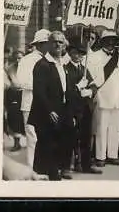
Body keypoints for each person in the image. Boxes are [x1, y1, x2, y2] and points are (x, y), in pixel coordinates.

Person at [27, 31, 73, 180]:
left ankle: (51, 172)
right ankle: (45, 174)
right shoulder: (42, 65)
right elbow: (39, 92)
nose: (58, 45)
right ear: (48, 44)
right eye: (55, 42)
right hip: (45, 112)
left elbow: (65, 88)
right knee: (46, 143)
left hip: (61, 110)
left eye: (61, 42)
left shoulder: (62, 64)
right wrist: (50, 110)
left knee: (57, 142)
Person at [86, 30, 119, 167]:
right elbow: (91, 78)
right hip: (102, 97)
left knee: (116, 128)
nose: (111, 43)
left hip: (118, 97)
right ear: (102, 41)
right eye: (108, 40)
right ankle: (100, 157)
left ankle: (112, 155)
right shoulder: (94, 56)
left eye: (113, 40)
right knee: (101, 128)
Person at [64, 35, 102, 175]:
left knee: (86, 137)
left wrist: (89, 92)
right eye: (75, 53)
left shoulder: (85, 69)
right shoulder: (65, 69)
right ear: (70, 53)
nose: (78, 56)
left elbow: (94, 85)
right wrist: (78, 88)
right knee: (70, 138)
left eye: (81, 53)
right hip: (72, 108)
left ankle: (86, 165)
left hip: (86, 108)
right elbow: (66, 90)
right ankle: (68, 167)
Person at [16, 29, 51, 167]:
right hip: (30, 102)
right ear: (39, 44)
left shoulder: (51, 60)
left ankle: (44, 165)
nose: (48, 46)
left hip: (46, 104)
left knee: (45, 135)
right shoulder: (27, 60)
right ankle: (32, 166)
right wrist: (41, 86)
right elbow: (21, 81)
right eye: (45, 43)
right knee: (32, 137)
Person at [4, 49, 25, 151]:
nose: (18, 60)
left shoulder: (28, 68)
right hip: (13, 94)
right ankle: (17, 143)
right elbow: (8, 83)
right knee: (14, 117)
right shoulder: (10, 68)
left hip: (25, 94)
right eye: (16, 58)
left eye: (20, 58)